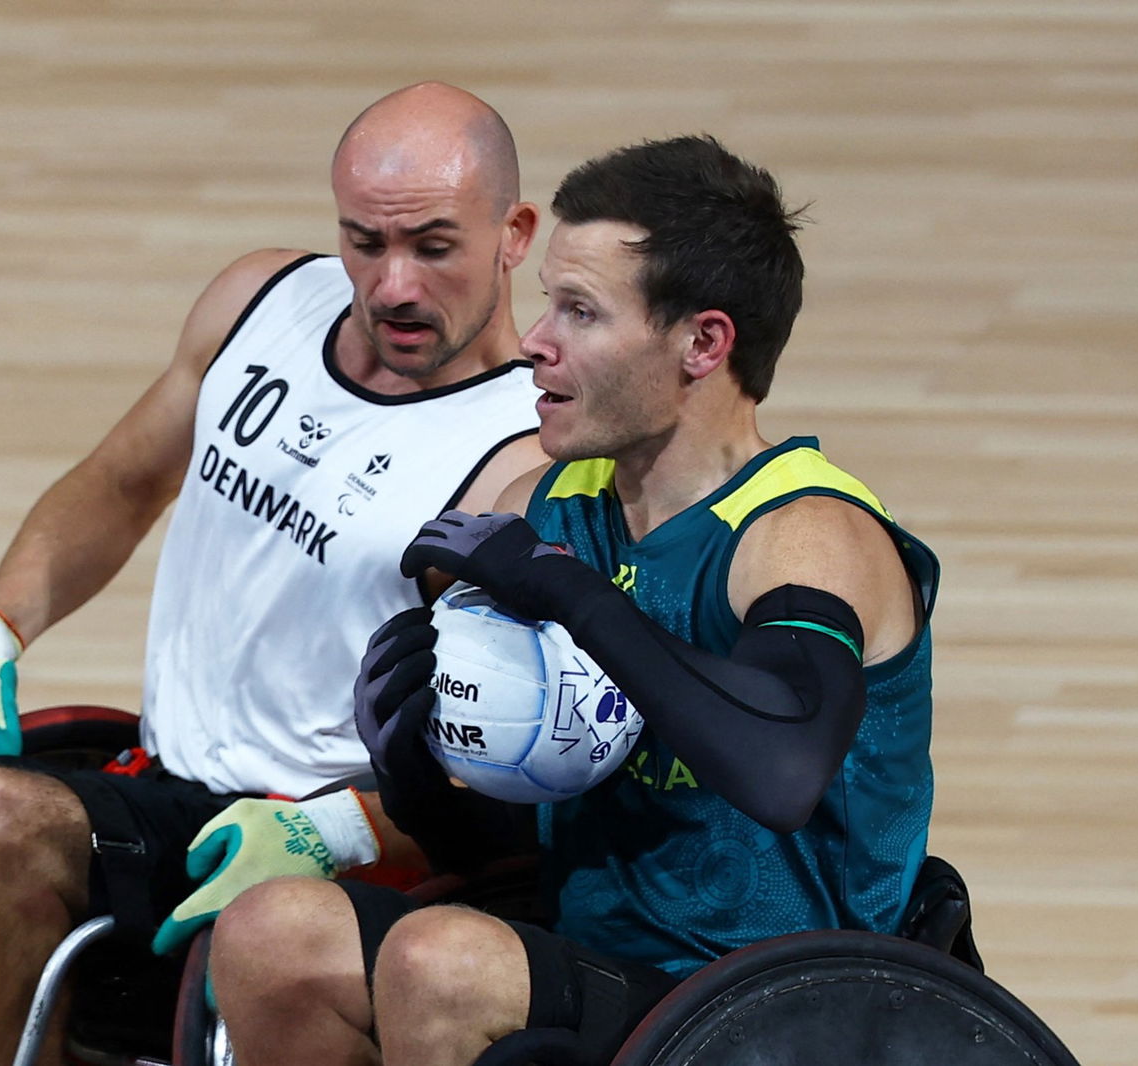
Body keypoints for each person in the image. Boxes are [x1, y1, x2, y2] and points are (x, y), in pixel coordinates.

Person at [0, 81, 546, 1066]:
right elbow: (121, 485)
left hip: (272, 831)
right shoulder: (262, 301)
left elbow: (512, 773)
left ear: (514, 233)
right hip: (139, 787)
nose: (392, 286)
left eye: (432, 245)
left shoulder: (519, 461)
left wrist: (340, 829)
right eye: (364, 243)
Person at [207, 134, 941, 1066]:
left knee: (441, 962)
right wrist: (420, 773)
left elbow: (781, 773)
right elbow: (528, 816)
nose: (536, 341)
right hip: (589, 957)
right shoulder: (553, 505)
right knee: (275, 935)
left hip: (781, 1003)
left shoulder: (804, 536)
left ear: (703, 343)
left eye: (580, 311)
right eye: (549, 300)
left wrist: (575, 596)